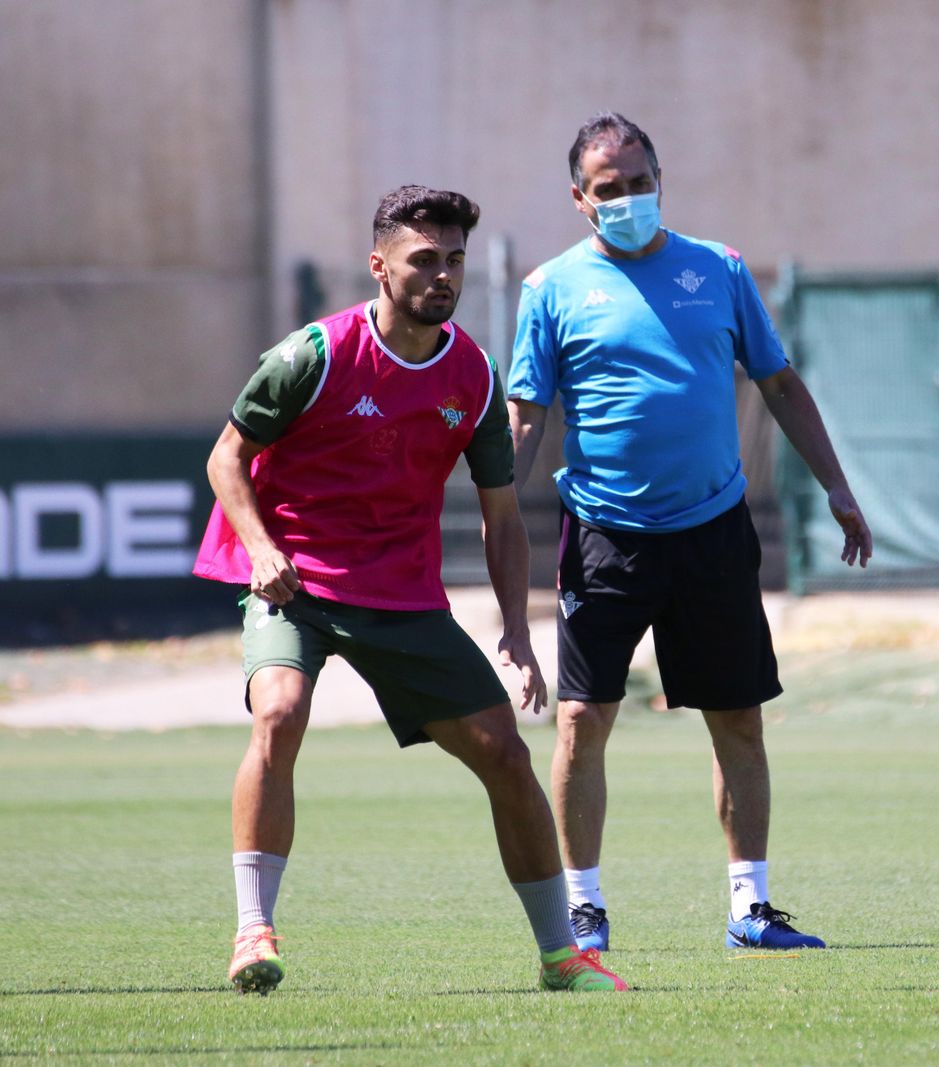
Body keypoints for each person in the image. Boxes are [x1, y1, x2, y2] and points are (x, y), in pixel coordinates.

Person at [193, 186, 627, 995]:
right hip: (298, 581)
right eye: (424, 259)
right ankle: (254, 932)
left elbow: (503, 518)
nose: (443, 274)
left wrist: (518, 631)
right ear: (379, 266)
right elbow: (226, 457)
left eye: (454, 259)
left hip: (401, 593)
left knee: (505, 752)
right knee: (279, 713)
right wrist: (261, 550)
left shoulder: (472, 372)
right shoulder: (310, 357)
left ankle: (562, 957)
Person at [507, 113, 871, 952]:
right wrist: (496, 506)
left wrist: (838, 485)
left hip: (713, 530)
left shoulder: (719, 269)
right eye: (609, 189)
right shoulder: (550, 289)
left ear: (659, 179)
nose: (628, 199)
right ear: (580, 199)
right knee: (581, 721)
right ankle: (583, 908)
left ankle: (750, 907)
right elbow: (526, 417)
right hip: (604, 534)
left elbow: (777, 383)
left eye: (640, 183)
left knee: (736, 719)